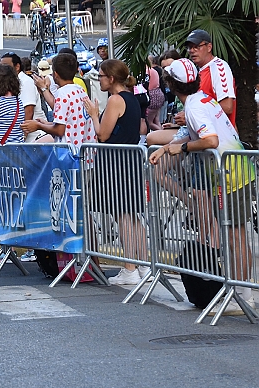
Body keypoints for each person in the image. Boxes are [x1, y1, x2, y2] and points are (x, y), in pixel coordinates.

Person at [149, 58, 255, 311]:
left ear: (171, 85)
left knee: (235, 237)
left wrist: (180, 147)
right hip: (233, 172)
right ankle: (240, 291)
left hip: (230, 175)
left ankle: (242, 294)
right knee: (235, 235)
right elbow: (198, 134)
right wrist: (167, 148)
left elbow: (210, 140)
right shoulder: (203, 98)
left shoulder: (194, 108)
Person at [83, 59, 148, 285]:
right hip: (129, 160)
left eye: (101, 76)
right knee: (132, 215)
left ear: (111, 79)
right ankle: (143, 264)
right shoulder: (132, 98)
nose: (98, 79)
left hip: (115, 162)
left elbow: (103, 135)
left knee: (123, 216)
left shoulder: (115, 100)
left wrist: (93, 114)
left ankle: (130, 267)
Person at [22, 53, 96, 147]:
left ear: (55, 74)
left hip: (70, 155)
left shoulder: (63, 94)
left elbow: (59, 130)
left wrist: (39, 126)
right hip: (85, 153)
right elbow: (69, 123)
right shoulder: (79, 90)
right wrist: (48, 124)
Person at [1, 52, 46, 142]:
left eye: (6, 66)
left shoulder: (25, 82)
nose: (2, 70)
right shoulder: (10, 83)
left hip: (34, 139)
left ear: (17, 67)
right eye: (0, 66)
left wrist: (22, 139)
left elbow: (28, 112)